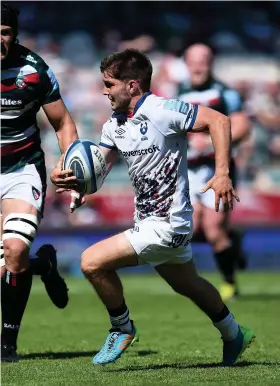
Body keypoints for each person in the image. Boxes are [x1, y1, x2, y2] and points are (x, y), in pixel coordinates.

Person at [52, 48, 255, 366]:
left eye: (109, 84)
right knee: (188, 284)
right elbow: (99, 171)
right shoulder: (113, 125)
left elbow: (219, 120)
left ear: (131, 85)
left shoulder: (163, 109)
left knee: (91, 262)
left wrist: (222, 172)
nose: (104, 92)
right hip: (148, 221)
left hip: (168, 223)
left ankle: (122, 328)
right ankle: (234, 333)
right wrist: (76, 184)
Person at [0, 3, 81, 362]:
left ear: (14, 34)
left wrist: (70, 165)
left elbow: (63, 124)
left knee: (14, 254)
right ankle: (44, 265)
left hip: (21, 171)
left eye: (3, 32)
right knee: (7, 268)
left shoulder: (34, 70)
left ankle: (7, 344)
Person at [176, 43, 250, 301]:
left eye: (203, 60)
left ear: (211, 62)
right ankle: (234, 242)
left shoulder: (225, 94)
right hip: (189, 171)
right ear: (186, 63)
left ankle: (229, 282)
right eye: (193, 60)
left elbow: (242, 128)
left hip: (217, 169)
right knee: (192, 229)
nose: (198, 66)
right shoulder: (178, 93)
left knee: (214, 229)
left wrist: (209, 140)